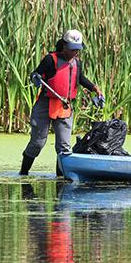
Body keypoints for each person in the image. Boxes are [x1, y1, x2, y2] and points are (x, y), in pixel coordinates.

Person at [19, 29, 104, 176]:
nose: (75, 53)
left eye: (77, 49)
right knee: (37, 142)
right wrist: (36, 78)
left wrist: (95, 89)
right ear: (64, 46)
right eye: (72, 49)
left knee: (64, 147)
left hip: (64, 106)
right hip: (45, 105)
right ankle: (23, 172)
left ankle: (61, 178)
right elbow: (36, 73)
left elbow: (81, 79)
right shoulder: (50, 60)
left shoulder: (77, 62)